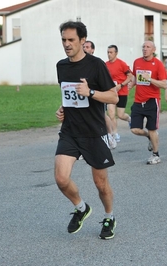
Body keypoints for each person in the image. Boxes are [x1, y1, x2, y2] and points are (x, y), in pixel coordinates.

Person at [55, 21, 118, 239]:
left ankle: (109, 216)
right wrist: (63, 108)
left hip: (93, 131)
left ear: (83, 40)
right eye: (64, 39)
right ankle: (81, 208)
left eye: (71, 40)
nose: (67, 44)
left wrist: (90, 92)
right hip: (70, 130)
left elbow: (113, 96)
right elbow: (68, 95)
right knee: (61, 179)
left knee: (101, 184)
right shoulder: (61, 66)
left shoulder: (96, 65)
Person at [129, 41, 167, 165]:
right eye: (143, 47)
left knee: (152, 128)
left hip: (152, 101)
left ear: (153, 49)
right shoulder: (137, 62)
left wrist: (149, 79)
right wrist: (131, 84)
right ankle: (149, 137)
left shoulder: (158, 64)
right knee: (134, 129)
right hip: (138, 100)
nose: (145, 49)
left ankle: (156, 154)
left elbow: (164, 84)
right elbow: (135, 77)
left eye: (148, 47)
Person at [83, 40, 117, 149]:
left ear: (92, 50)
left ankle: (110, 135)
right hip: (84, 96)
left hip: (97, 94)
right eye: (84, 46)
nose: (85, 48)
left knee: (102, 115)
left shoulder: (97, 63)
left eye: (88, 47)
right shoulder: (80, 63)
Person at [105, 45, 133, 142]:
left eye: (111, 52)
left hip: (122, 92)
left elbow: (130, 76)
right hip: (111, 93)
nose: (109, 54)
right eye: (108, 52)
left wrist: (121, 85)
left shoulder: (122, 64)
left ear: (116, 53)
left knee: (120, 115)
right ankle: (115, 134)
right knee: (111, 114)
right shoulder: (105, 65)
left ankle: (129, 119)